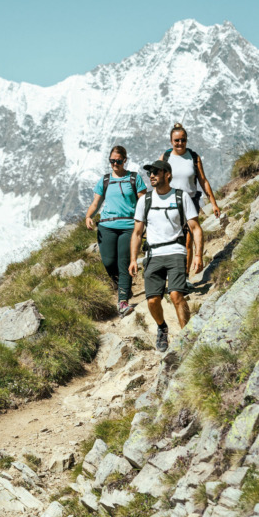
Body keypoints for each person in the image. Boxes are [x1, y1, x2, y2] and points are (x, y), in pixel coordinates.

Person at [127, 159, 203, 352]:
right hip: (152, 254)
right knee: (152, 300)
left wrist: (198, 255)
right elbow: (137, 232)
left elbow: (195, 228)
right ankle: (162, 328)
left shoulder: (181, 197)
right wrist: (133, 259)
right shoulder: (145, 200)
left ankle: (187, 338)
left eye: (156, 172)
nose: (151, 175)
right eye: (150, 172)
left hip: (176, 251)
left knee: (176, 294)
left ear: (167, 174)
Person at [84, 146, 144, 316]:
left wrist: (144, 221)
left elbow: (143, 201)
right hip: (106, 225)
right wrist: (89, 216)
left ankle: (123, 301)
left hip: (128, 227)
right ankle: (123, 287)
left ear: (125, 160)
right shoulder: (105, 180)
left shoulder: (134, 178)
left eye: (118, 161)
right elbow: (96, 203)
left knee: (123, 262)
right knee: (109, 262)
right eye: (112, 161)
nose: (115, 164)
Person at [163, 123, 221, 273]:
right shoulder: (165, 157)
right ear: (171, 141)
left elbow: (203, 180)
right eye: (176, 140)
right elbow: (158, 180)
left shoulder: (193, 157)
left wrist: (213, 203)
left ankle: (185, 276)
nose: (180, 143)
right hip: (170, 203)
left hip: (190, 202)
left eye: (183, 140)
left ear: (186, 140)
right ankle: (173, 272)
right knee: (172, 240)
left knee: (188, 241)